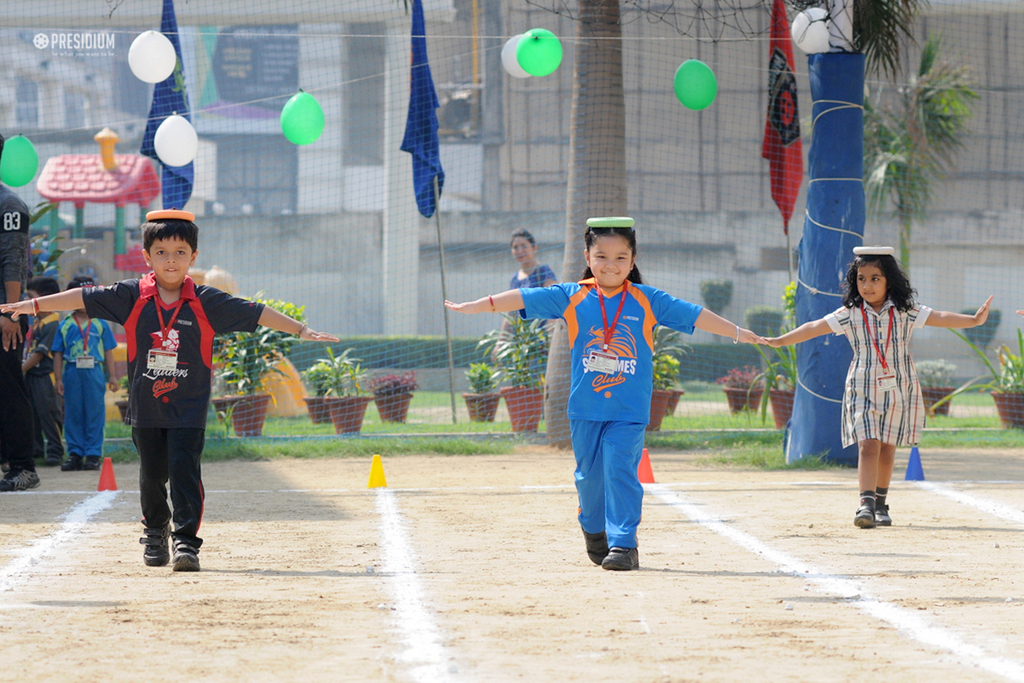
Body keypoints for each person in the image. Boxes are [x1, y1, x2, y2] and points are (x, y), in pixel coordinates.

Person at [1, 209, 339, 572]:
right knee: (151, 475)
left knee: (184, 472)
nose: (171, 260)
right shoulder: (130, 296)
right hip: (146, 409)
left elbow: (256, 312)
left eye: (180, 252)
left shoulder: (207, 301)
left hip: (189, 409)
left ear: (194, 256)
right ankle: (156, 531)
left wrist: (302, 330)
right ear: (147, 256)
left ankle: (186, 542)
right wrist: (30, 306)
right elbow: (80, 298)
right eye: (161, 252)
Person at [445, 217, 766, 571]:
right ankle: (593, 529)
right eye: (601, 256)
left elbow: (695, 315)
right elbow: (524, 297)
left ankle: (625, 545)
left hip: (629, 410)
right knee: (589, 478)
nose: (610, 266)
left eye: (620, 258)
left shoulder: (647, 300)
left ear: (632, 260)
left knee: (620, 468)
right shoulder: (571, 295)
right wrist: (478, 305)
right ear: (587, 256)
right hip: (585, 409)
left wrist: (738, 331)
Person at [765, 246, 993, 529]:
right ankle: (866, 504)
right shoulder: (850, 313)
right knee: (868, 444)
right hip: (862, 386)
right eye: (861, 278)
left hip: (900, 385)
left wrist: (974, 320)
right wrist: (779, 340)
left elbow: (942, 318)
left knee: (887, 447)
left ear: (889, 280)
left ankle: (881, 503)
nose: (867, 285)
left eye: (875, 278)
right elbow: (813, 327)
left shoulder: (906, 311)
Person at [0, 139, 39, 492]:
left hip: (4, 313)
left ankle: (24, 467)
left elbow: (14, 262)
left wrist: (10, 313)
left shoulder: (9, 204)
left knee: (9, 389)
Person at [51, 276, 118, 472]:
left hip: (94, 371)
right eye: (80, 297)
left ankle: (93, 454)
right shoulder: (65, 325)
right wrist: (58, 379)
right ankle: (75, 454)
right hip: (72, 371)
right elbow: (57, 353)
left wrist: (112, 376)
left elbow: (108, 350)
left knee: (95, 412)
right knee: (73, 413)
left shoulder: (101, 323)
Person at [22, 276, 65, 467]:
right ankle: (37, 449)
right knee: (33, 415)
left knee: (49, 414)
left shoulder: (53, 325)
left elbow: (39, 354)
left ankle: (55, 450)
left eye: (31, 298)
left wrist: (19, 369)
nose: (27, 302)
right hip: (32, 376)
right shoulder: (38, 323)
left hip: (44, 377)